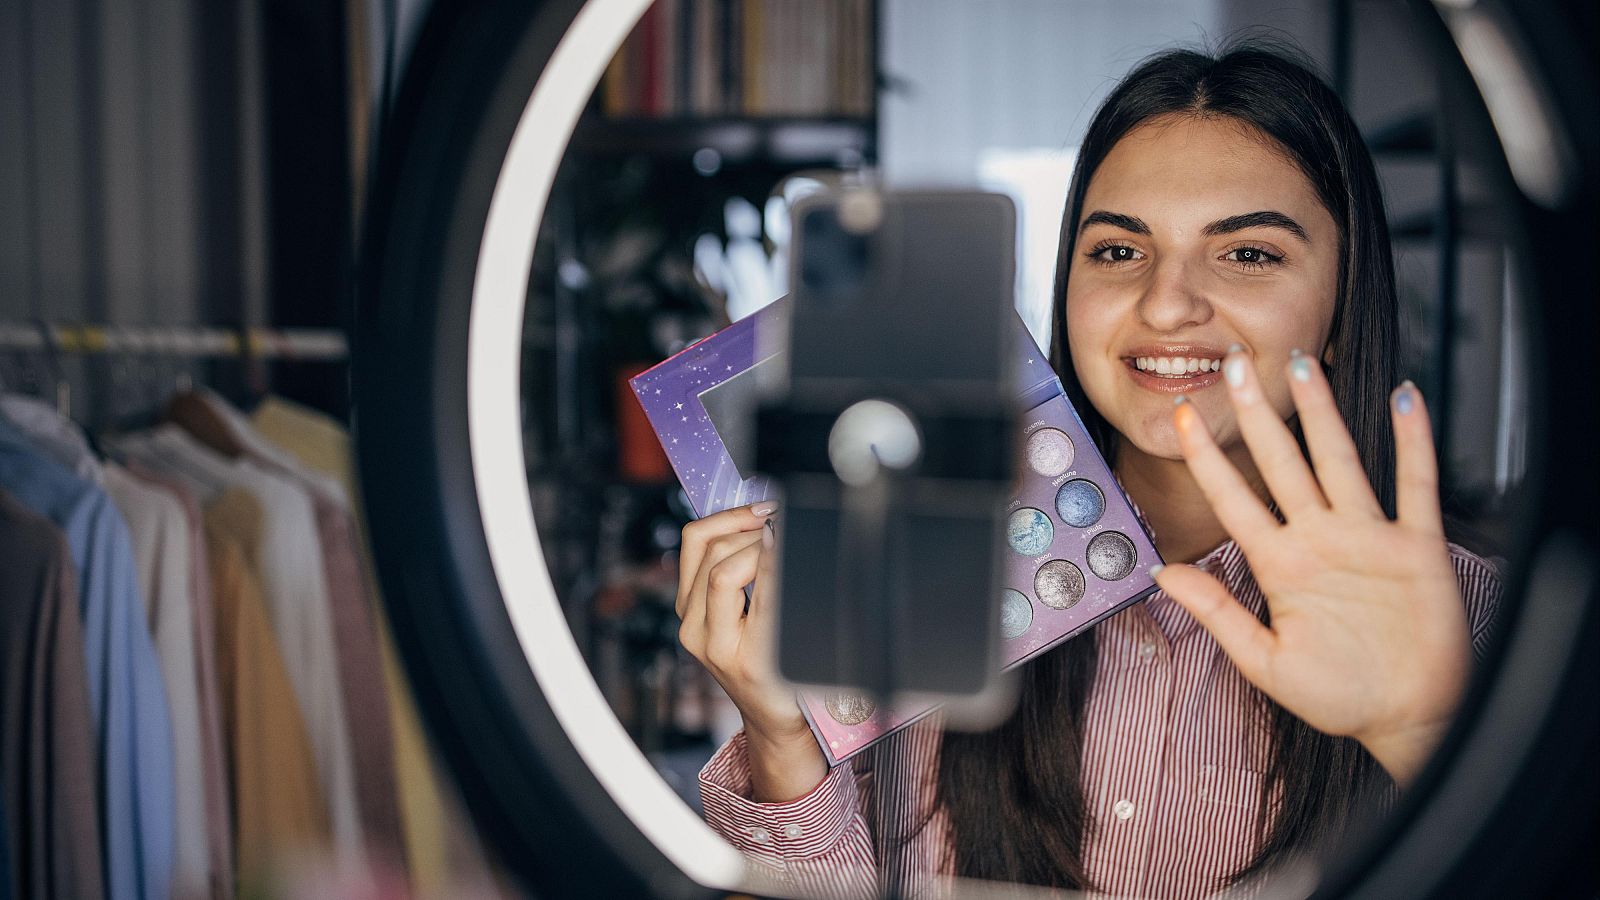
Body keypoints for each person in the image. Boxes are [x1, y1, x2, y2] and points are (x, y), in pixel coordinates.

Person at [674, 44, 1502, 899]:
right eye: (1117, 251)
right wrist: (783, 742)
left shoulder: (1478, 623)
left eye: (1248, 253)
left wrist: (1425, 732)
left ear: (1341, 303)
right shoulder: (916, 581)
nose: (1167, 304)